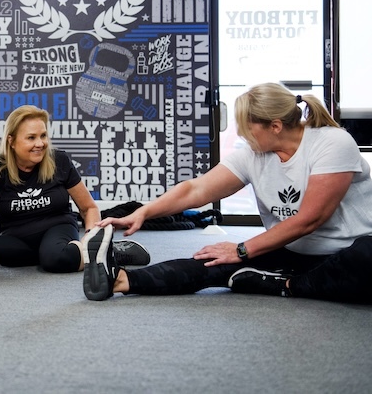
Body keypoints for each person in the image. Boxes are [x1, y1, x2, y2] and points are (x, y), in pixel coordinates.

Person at [82, 82, 372, 304]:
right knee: (215, 260)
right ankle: (120, 280)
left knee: (364, 259)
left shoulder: (332, 143)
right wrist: (143, 212)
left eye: (248, 127)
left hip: (348, 250)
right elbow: (196, 189)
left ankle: (282, 285)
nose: (243, 135)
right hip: (294, 252)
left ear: (275, 126)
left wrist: (243, 248)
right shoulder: (253, 153)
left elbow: (310, 219)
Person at [0, 105, 150, 285]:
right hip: (17, 237)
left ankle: (104, 251)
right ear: (11, 141)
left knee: (55, 259)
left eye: (43, 136)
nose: (40, 143)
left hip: (57, 229)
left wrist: (90, 236)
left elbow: (88, 207)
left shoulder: (59, 160)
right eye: (31, 137)